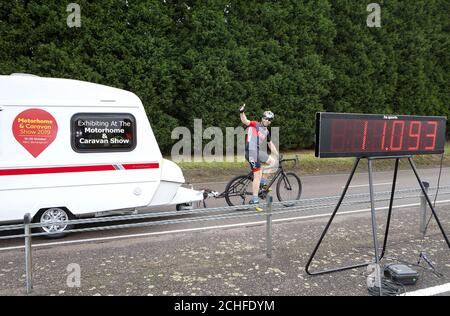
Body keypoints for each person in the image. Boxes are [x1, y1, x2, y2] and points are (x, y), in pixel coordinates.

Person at [240, 103, 279, 209]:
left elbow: (270, 144)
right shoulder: (255, 124)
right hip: (251, 152)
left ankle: (263, 183)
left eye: (270, 120)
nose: (267, 121)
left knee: (272, 162)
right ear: (262, 118)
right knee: (257, 174)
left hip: (256, 152)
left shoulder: (266, 131)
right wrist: (241, 112)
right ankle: (255, 199)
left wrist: (277, 154)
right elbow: (245, 121)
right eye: (266, 118)